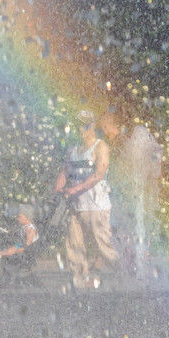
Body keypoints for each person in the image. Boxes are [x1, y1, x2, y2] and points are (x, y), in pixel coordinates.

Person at [54, 109, 117, 289]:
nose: (80, 129)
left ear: (92, 126)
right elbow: (64, 171)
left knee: (103, 245)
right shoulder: (73, 150)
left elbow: (98, 174)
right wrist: (57, 190)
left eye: (84, 125)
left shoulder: (100, 146)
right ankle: (79, 280)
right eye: (78, 125)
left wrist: (75, 189)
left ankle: (125, 271)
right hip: (76, 206)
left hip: (97, 206)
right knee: (74, 244)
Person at [0, 204, 38, 288]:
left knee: (8, 253)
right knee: (7, 250)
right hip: (21, 248)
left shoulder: (30, 229)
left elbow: (26, 246)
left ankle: (8, 280)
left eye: (19, 216)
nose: (17, 218)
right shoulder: (24, 227)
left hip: (25, 254)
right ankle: (6, 277)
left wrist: (13, 250)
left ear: (27, 217)